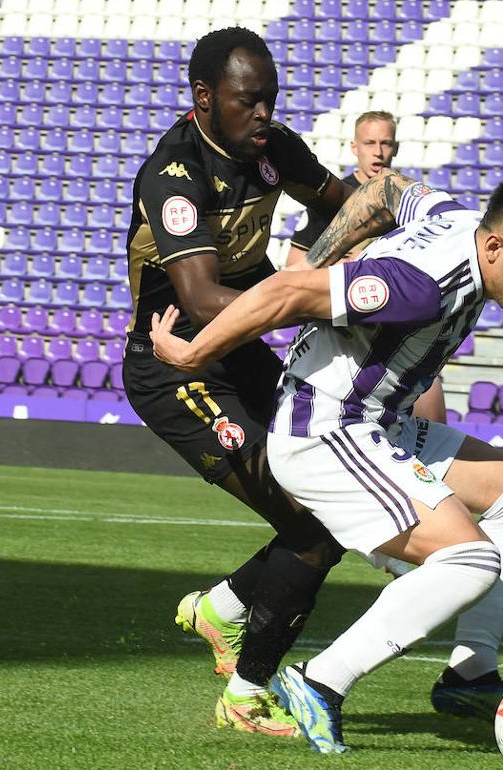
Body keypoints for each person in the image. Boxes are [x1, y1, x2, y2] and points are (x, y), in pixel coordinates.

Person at [150, 172, 503, 753]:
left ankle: (469, 675)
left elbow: (387, 191)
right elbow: (288, 294)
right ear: (496, 247)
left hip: (377, 421)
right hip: (326, 429)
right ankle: (321, 682)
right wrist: (194, 352)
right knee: (472, 559)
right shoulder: (421, 285)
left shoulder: (455, 219)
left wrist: (328, 262)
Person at [120, 26, 359, 736]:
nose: (265, 115)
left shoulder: (275, 151)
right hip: (176, 367)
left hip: (246, 354)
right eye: (249, 102)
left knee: (333, 507)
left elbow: (343, 207)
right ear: (204, 98)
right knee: (312, 528)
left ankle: (220, 611)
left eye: (271, 101)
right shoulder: (174, 176)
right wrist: (311, 299)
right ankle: (247, 696)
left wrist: (314, 260)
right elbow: (196, 302)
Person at [285, 110, 448, 422]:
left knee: (432, 426)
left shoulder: (414, 203)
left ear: (396, 147)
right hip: (342, 344)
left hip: (403, 339)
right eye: (370, 142)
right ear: (354, 147)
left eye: (385, 143)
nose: (378, 151)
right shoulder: (329, 201)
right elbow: (294, 271)